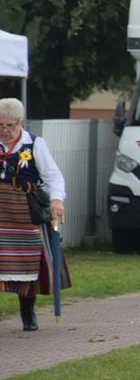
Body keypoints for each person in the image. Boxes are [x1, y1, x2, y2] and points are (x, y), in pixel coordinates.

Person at [0, 98, 69, 332]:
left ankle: (27, 312)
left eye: (9, 125)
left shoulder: (34, 144)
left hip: (23, 213)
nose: (4, 130)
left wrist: (57, 200)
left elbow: (54, 176)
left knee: (26, 263)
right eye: (0, 125)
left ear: (20, 123)